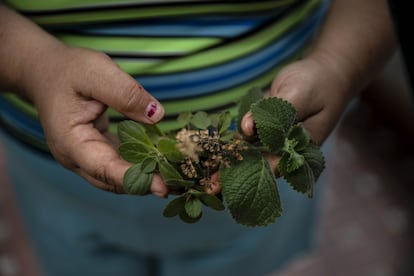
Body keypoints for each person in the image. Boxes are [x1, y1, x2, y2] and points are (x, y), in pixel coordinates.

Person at [0, 0, 396, 275]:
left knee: (241, 258)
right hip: (54, 169)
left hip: (254, 170)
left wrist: (338, 66)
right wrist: (33, 65)